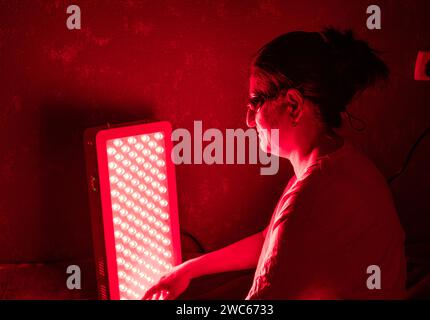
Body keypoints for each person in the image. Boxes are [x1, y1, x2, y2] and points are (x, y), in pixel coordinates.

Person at [143, 28, 406, 300]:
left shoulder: (314, 196)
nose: (248, 119)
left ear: (293, 104)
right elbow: (271, 241)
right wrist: (188, 270)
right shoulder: (341, 163)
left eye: (256, 101)